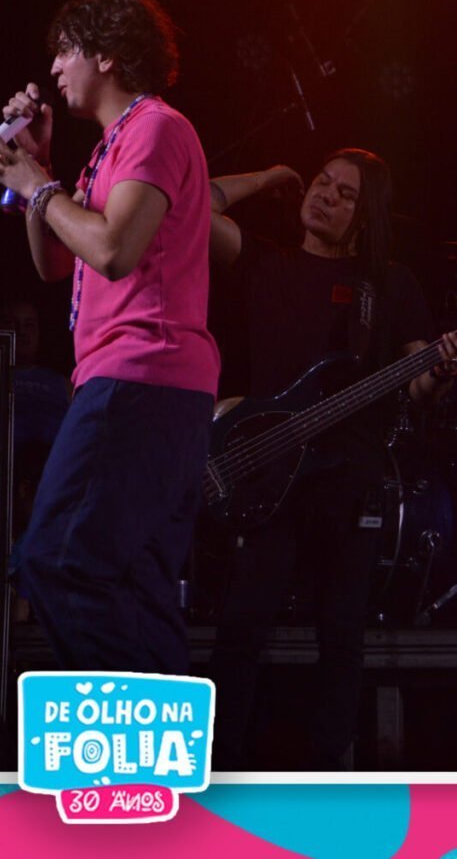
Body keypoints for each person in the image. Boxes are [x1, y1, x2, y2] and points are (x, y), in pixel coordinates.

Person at [0, 0, 220, 673]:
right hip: (141, 385)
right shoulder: (109, 148)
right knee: (133, 585)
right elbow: (54, 263)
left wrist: (36, 186)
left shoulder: (156, 128)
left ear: (106, 54)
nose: (53, 68)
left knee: (54, 559)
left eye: (65, 50)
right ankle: (152, 738)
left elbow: (111, 250)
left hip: (142, 376)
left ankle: (119, 729)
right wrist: (40, 170)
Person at [207, 150, 457, 769]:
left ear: (364, 218)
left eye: (346, 194)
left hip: (349, 485)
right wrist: (266, 176)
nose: (325, 195)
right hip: (269, 476)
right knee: (240, 630)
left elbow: (418, 383)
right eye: (322, 182)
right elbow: (192, 204)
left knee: (342, 640)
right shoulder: (266, 261)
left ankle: (331, 777)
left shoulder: (388, 284)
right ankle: (221, 768)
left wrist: (441, 371)